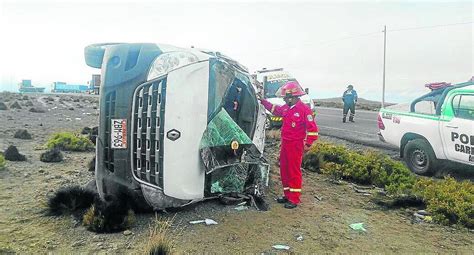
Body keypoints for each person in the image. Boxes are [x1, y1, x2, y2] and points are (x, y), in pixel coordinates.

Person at [259, 81, 319, 209]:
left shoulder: (304, 110)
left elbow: (312, 129)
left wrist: (308, 143)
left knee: (293, 171)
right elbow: (275, 110)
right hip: (285, 143)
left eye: (286, 98)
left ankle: (294, 199)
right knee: (284, 169)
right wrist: (263, 101)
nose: (285, 100)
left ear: (294, 97)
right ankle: (287, 194)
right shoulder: (286, 108)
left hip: (296, 145)